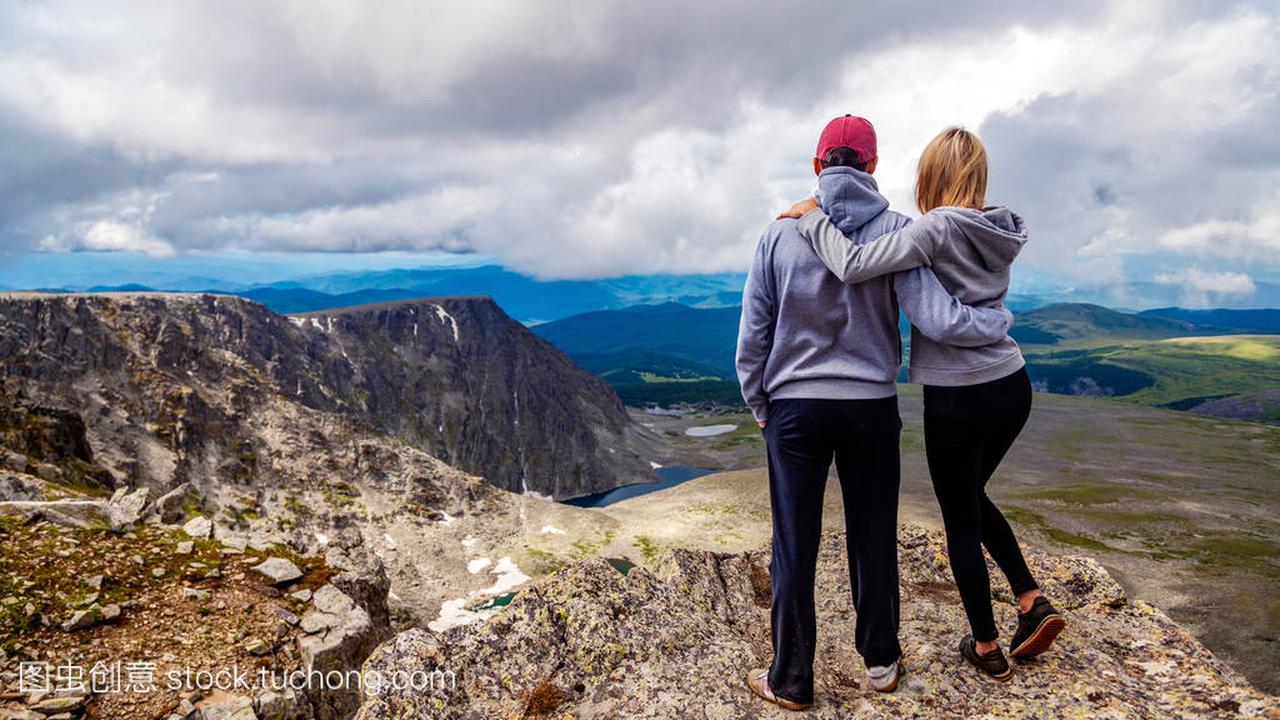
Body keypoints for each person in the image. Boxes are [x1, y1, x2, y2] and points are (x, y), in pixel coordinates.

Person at [735, 115, 1014, 709]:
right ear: (872, 167)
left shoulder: (779, 233)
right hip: (870, 407)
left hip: (795, 409)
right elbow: (928, 312)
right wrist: (992, 323)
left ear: (817, 166)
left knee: (794, 543)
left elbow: (754, 334)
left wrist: (760, 403)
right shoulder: (898, 232)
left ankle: (789, 678)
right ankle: (882, 663)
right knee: (872, 536)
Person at [777, 126, 1066, 681]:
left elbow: (856, 264)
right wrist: (1002, 323)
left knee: (960, 516)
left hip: (960, 395)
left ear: (928, 176)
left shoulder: (931, 230)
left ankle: (985, 646)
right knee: (973, 497)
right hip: (1012, 383)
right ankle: (1030, 601)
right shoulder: (999, 228)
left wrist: (811, 217)